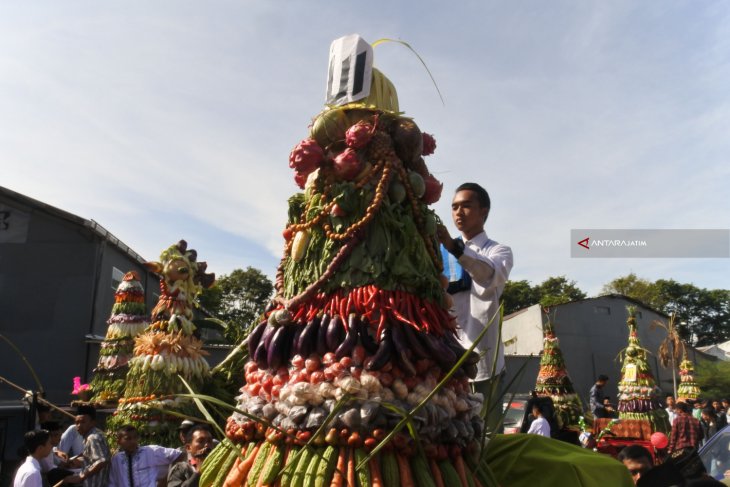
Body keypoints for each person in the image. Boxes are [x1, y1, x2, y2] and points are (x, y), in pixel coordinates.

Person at [436, 182, 513, 432]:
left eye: (467, 206)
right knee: (449, 433)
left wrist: (456, 248)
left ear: (484, 211)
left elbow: (488, 275)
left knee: (486, 436)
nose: (459, 213)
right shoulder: (440, 253)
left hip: (484, 361)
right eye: (455, 207)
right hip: (448, 358)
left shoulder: (499, 251)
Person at [108, 425, 184, 487]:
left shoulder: (151, 451)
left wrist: (166, 479)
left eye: (135, 437)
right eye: (128, 439)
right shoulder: (116, 459)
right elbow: (112, 482)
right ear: (119, 441)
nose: (133, 441)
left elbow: (181, 455)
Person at [66, 405, 110, 487]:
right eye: (77, 423)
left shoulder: (92, 438)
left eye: (83, 422)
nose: (79, 426)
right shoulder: (95, 434)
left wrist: (81, 476)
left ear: (93, 422)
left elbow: (102, 460)